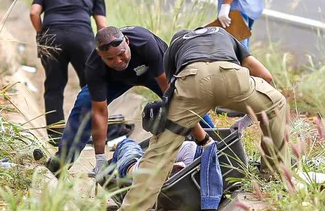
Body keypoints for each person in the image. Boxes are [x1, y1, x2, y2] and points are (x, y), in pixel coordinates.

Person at [117, 26, 290, 211]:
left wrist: (199, 137)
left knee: (159, 155)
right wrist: (248, 118)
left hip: (191, 81)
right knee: (276, 104)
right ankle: (272, 176)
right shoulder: (224, 34)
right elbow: (266, 77)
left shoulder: (175, 45)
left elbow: (171, 92)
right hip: (231, 76)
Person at [48, 25, 214, 177]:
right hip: (116, 80)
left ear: (127, 42)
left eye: (122, 54)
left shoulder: (145, 44)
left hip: (154, 72)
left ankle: (217, 144)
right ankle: (61, 163)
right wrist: (100, 158)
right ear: (100, 55)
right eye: (110, 59)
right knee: (85, 102)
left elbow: (170, 93)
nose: (118, 61)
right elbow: (99, 112)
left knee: (184, 98)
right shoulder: (94, 66)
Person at [30, 0, 107, 145]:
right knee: (90, 85)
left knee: (54, 86)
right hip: (82, 37)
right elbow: (102, 25)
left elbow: (34, 12)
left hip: (52, 36)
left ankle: (56, 137)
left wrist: (42, 34)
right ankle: (86, 133)